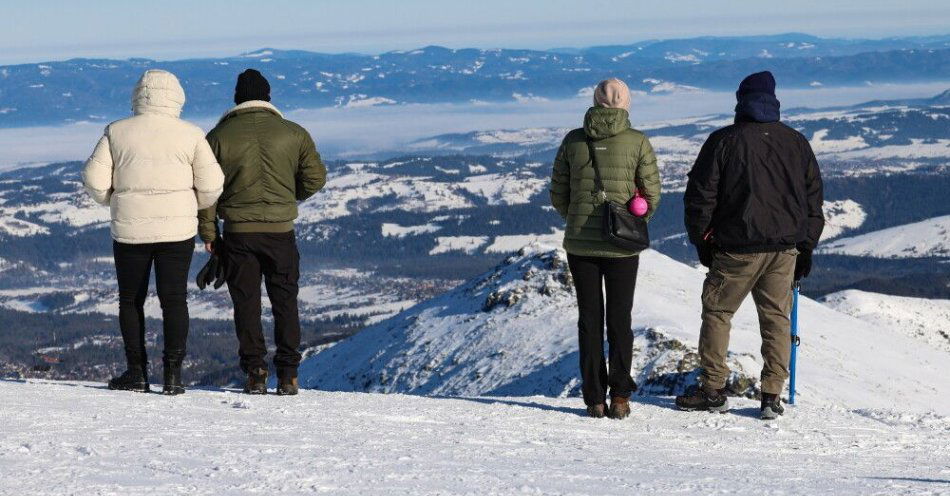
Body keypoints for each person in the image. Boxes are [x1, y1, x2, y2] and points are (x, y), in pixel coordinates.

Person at [676, 71, 824, 419]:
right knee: (776, 318)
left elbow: (700, 198)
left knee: (718, 312)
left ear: (741, 101)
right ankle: (772, 395)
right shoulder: (796, 142)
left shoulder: (723, 141)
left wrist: (704, 242)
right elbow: (813, 203)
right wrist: (805, 247)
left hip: (736, 247)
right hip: (784, 247)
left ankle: (713, 389)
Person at [82, 69, 224, 395]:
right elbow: (213, 185)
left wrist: (114, 201)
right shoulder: (190, 134)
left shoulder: (116, 132)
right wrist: (190, 206)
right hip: (178, 232)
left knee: (130, 300)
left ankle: (136, 373)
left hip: (130, 231)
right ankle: (173, 375)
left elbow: (93, 178)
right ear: (177, 97)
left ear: (137, 96)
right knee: (174, 300)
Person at [198, 69, 327, 396]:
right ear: (268, 97)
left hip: (239, 233)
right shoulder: (294, 133)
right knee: (286, 301)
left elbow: (207, 190)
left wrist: (209, 233)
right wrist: (288, 197)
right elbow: (315, 179)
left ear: (237, 99)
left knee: (246, 303)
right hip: (281, 232)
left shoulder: (218, 136)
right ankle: (288, 374)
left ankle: (255, 371)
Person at [550, 78, 662, 419]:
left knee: (589, 321)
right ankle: (620, 398)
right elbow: (652, 196)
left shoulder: (573, 140)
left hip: (580, 245)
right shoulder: (638, 141)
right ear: (626, 103)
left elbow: (558, 193)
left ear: (595, 101)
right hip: (622, 247)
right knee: (619, 320)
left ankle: (594, 399)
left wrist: (578, 218)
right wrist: (631, 219)